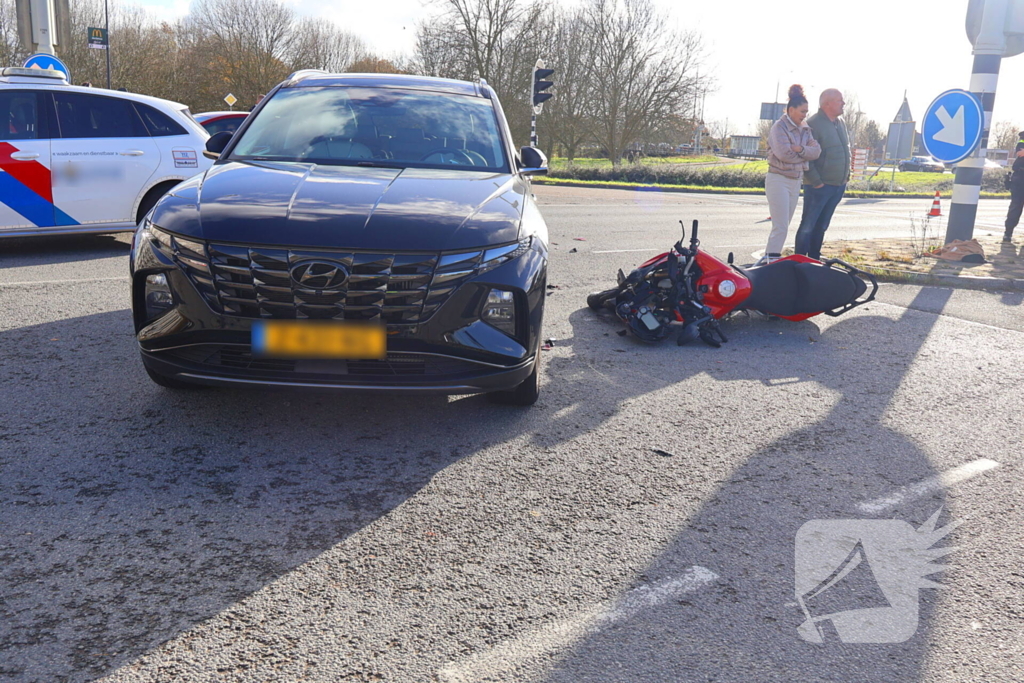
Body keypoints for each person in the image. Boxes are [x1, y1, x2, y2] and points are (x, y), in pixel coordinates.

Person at [761, 84, 821, 263]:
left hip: (795, 180)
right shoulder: (779, 128)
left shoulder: (805, 128)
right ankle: (771, 260)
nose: (805, 115)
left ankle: (770, 258)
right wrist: (805, 156)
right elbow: (784, 154)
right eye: (802, 111)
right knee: (781, 226)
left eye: (807, 111)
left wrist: (799, 149)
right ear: (791, 109)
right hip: (778, 179)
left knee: (784, 225)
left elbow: (816, 151)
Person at [795, 88, 850, 260]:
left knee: (822, 226)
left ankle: (814, 259)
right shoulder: (813, 124)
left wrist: (845, 177)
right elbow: (805, 156)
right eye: (840, 101)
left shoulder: (840, 123)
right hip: (819, 186)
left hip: (838, 185)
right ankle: (800, 261)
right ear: (827, 103)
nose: (843, 103)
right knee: (808, 226)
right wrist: (816, 181)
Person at [1004, 131, 1024, 242]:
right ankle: (1008, 233)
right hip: (1020, 179)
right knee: (1016, 207)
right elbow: (1020, 152)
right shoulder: (1023, 138)